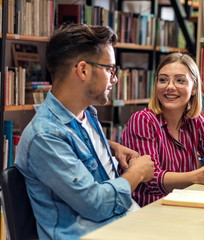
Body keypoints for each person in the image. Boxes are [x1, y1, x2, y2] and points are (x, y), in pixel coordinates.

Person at [15, 24, 154, 239]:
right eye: (110, 69)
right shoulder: (45, 136)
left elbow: (75, 146)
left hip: (122, 225)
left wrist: (110, 146)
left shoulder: (85, 114)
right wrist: (137, 173)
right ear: (83, 70)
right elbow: (96, 204)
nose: (114, 79)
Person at [122, 53, 204, 207]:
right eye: (163, 80)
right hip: (149, 209)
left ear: (194, 88)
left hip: (183, 205)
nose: (170, 87)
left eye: (180, 80)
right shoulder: (142, 120)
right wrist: (197, 176)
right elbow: (151, 179)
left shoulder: (194, 121)